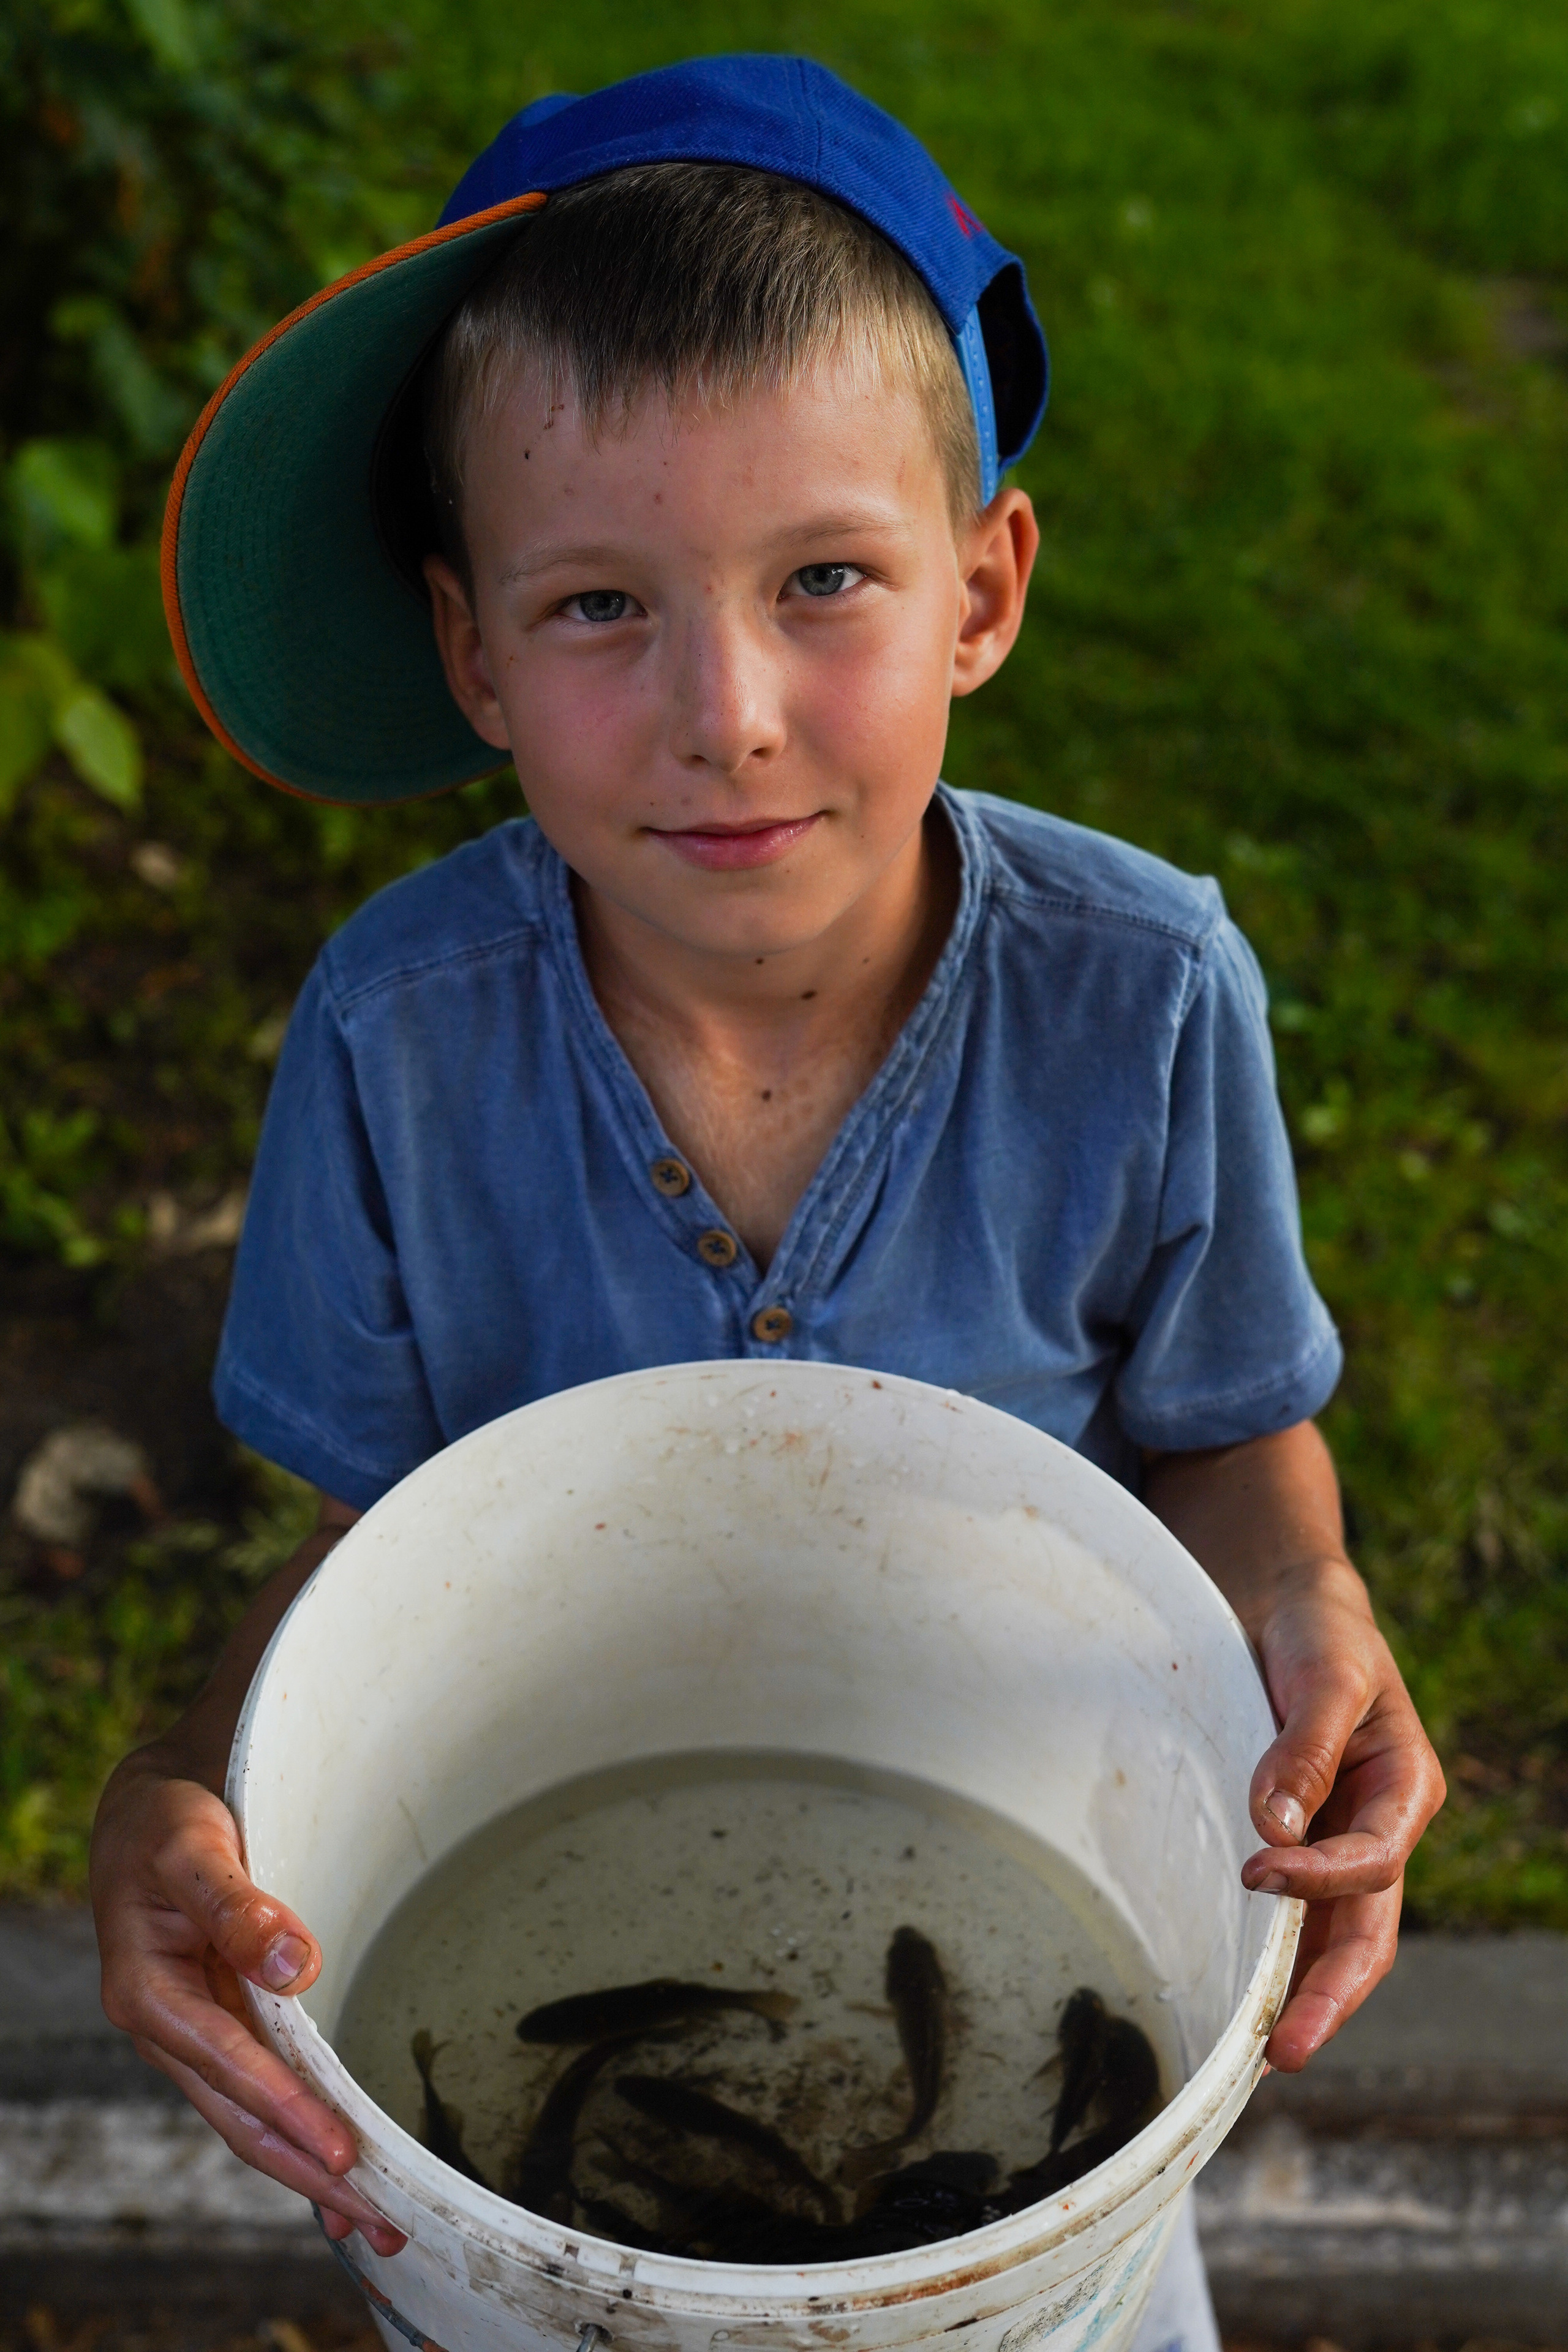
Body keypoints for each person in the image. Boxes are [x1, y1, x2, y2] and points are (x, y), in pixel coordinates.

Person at [90, 54, 1444, 2350]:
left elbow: (1223, 1432)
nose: (725, 710)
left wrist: (1307, 1603)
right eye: (602, 607)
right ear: (469, 652)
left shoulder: (1146, 1000)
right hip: (527, 2230)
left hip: (1043, 2052)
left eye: (825, 579)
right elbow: (369, 1561)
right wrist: (177, 1796)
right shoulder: (394, 1040)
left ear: (984, 591)